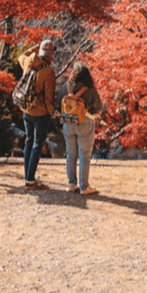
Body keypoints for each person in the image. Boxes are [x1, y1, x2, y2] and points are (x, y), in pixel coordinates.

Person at [19, 38, 56, 189]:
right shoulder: (48, 72)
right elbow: (49, 99)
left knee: (29, 141)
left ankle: (28, 176)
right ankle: (30, 179)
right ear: (50, 55)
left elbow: (21, 55)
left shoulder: (28, 62)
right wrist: (54, 113)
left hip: (26, 110)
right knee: (37, 144)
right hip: (40, 113)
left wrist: (35, 48)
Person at [61, 62, 103, 195]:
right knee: (84, 154)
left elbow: (58, 103)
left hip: (68, 123)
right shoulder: (89, 89)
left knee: (70, 153)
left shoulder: (65, 87)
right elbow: (98, 107)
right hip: (84, 122)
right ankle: (84, 186)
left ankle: (71, 184)